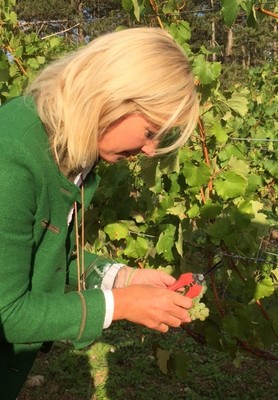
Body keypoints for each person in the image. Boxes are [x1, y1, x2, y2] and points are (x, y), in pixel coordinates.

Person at [0, 27, 199, 399]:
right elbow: (6, 313)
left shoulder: (67, 150)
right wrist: (120, 305)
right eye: (151, 131)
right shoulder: (12, 157)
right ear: (114, 97)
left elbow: (44, 255)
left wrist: (123, 278)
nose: (151, 150)